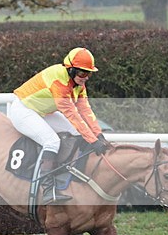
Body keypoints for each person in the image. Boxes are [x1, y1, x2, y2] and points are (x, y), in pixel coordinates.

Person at [7, 47, 111, 204]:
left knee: (75, 132)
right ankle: (47, 189)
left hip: (41, 112)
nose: (86, 77)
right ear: (70, 70)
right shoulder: (58, 81)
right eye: (82, 73)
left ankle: (67, 174)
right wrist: (92, 140)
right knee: (52, 141)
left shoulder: (78, 83)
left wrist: (98, 134)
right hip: (23, 111)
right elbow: (72, 114)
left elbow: (84, 109)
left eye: (89, 73)